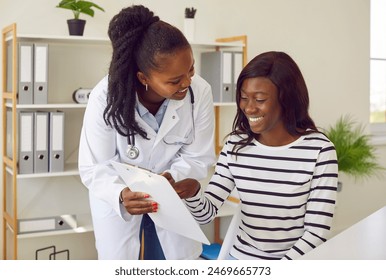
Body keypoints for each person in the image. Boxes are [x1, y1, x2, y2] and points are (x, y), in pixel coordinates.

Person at [78, 5, 216, 260]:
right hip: (120, 199)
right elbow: (94, 168)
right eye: (174, 80)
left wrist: (169, 180)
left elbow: (199, 157)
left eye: (191, 70)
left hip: (173, 198)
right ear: (144, 77)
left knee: (180, 262)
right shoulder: (104, 98)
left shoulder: (200, 92)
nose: (187, 82)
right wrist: (120, 195)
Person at [175, 51, 338, 260]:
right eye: (243, 98)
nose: (249, 108)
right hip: (240, 259)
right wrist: (194, 192)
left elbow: (316, 233)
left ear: (287, 99)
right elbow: (206, 213)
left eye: (260, 99)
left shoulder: (320, 151)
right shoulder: (236, 144)